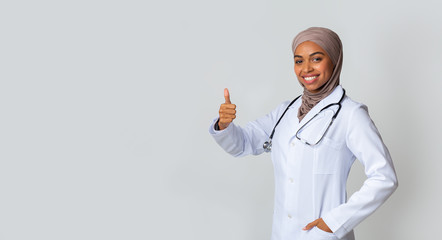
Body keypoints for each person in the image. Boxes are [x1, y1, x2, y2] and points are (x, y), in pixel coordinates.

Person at [208, 27, 398, 240]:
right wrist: (224, 125)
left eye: (316, 59)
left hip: (323, 235)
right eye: (299, 61)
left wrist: (334, 222)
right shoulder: (285, 111)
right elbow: (243, 143)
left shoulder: (351, 115)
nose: (306, 68)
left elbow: (384, 177)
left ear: (334, 60)